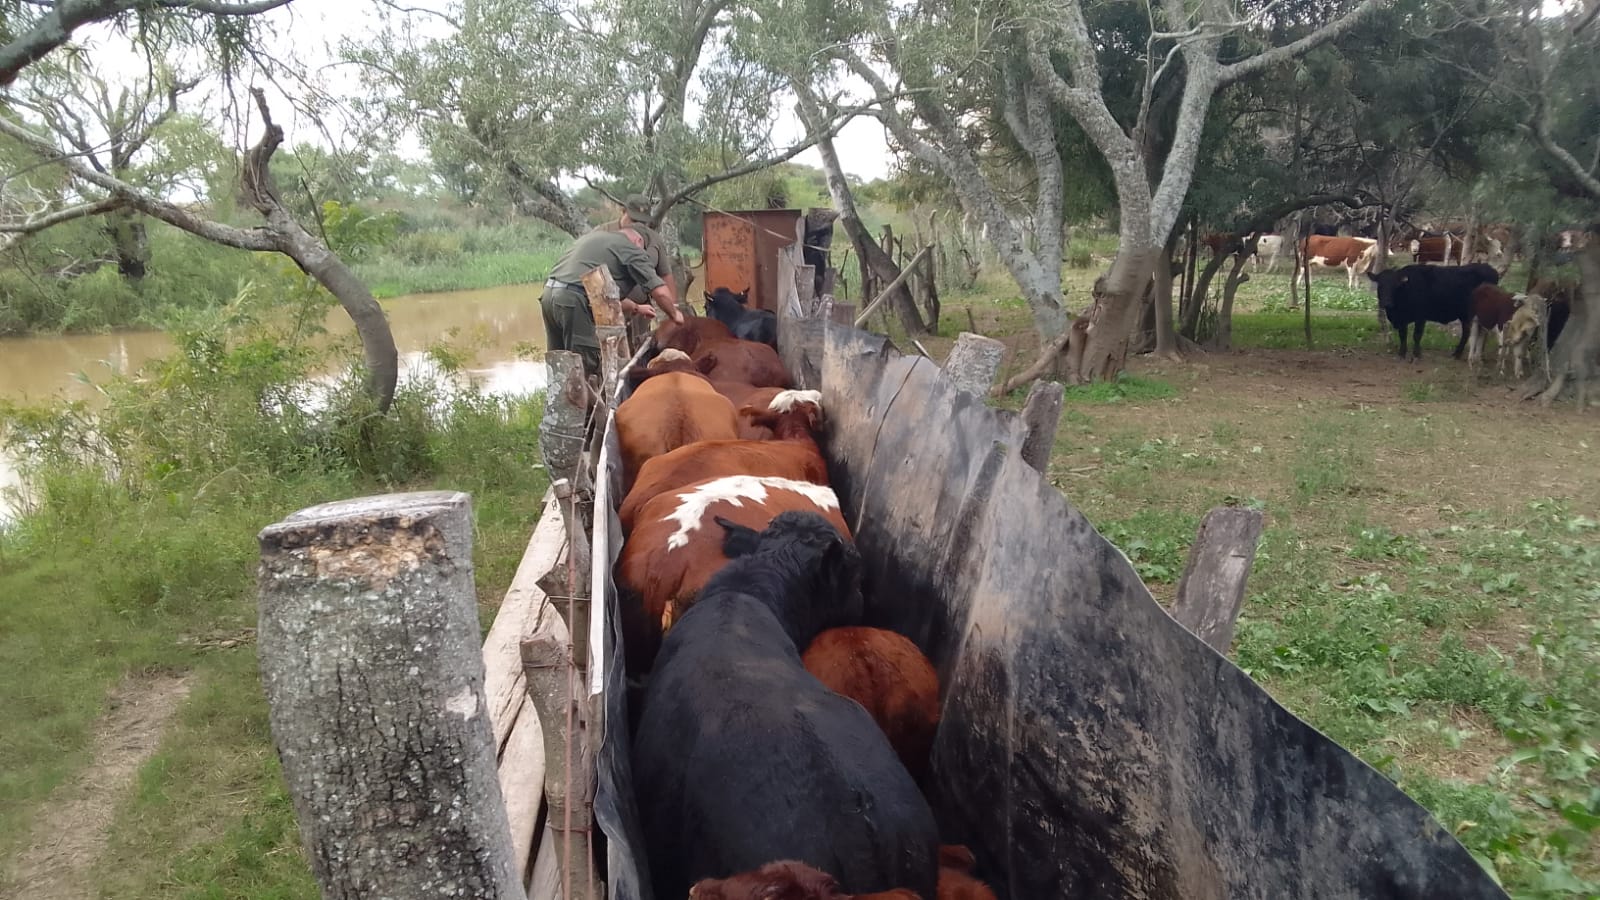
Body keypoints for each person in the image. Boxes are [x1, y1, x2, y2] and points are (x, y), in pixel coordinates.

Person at [540, 225, 684, 378]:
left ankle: (558, 393)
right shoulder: (630, 248)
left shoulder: (596, 240)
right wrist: (675, 314)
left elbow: (607, 296)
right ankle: (587, 393)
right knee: (584, 362)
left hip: (549, 295)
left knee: (558, 361)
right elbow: (660, 292)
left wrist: (637, 307)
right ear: (638, 241)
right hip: (574, 300)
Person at [594, 194, 682, 344]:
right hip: (611, 309)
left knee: (640, 347)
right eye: (633, 220)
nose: (638, 225)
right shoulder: (602, 233)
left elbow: (665, 274)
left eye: (643, 221)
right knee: (613, 349)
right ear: (623, 211)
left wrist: (672, 309)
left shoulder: (654, 238)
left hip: (642, 311)